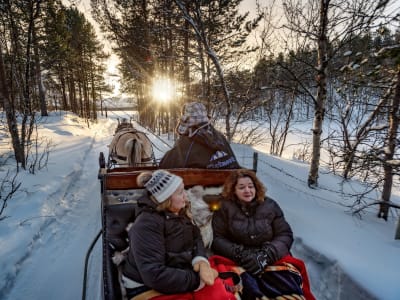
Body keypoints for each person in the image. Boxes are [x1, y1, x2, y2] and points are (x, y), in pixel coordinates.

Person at [121, 170, 236, 299]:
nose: (186, 197)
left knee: (221, 289)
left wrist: (201, 261)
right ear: (166, 198)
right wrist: (197, 280)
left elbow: (196, 237)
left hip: (177, 272)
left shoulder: (178, 212)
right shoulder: (146, 225)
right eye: (181, 192)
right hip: (144, 286)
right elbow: (155, 275)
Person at [212, 169, 315, 300]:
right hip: (240, 259)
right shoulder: (224, 207)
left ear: (256, 187)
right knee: (242, 291)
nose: (247, 190)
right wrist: (240, 254)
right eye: (241, 187)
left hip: (271, 257)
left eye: (251, 186)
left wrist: (265, 255)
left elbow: (285, 234)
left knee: (287, 289)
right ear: (233, 190)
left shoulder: (270, 205)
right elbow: (218, 239)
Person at [159, 102, 240, 169]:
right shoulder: (220, 136)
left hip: (200, 187)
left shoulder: (186, 143)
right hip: (229, 185)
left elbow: (164, 166)